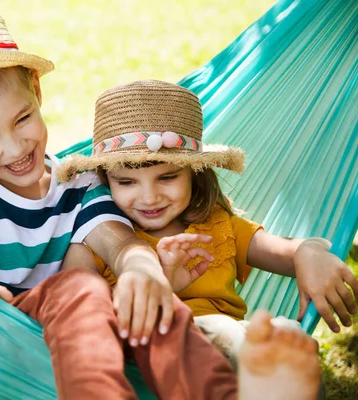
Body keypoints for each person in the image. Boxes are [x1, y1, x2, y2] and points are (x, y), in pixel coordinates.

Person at [0, 10, 247, 399]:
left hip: (72, 337)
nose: (15, 148)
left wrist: (141, 269)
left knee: (141, 295)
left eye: (23, 119)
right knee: (81, 285)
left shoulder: (79, 184)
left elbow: (120, 245)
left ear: (36, 90)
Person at [57, 79, 358, 373]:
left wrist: (308, 252)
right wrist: (161, 286)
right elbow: (75, 309)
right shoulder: (96, 239)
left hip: (233, 353)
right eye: (126, 182)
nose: (149, 197)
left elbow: (284, 251)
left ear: (195, 172)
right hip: (147, 359)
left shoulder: (218, 225)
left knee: (286, 347)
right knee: (221, 331)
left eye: (167, 177)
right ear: (105, 180)